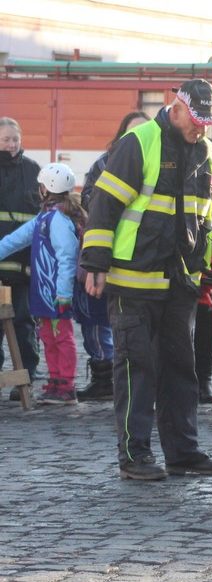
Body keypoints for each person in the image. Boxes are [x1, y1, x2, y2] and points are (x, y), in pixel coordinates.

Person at [82, 78, 212, 481]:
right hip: (132, 280)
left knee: (179, 370)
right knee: (136, 370)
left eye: (207, 122)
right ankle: (134, 457)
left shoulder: (208, 152)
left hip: (180, 284)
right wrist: (95, 264)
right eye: (196, 120)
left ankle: (182, 453)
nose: (201, 128)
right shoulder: (139, 142)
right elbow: (104, 206)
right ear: (176, 109)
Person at [77, 111, 151, 402]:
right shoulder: (103, 163)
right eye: (132, 131)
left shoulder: (157, 163)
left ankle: (140, 389)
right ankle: (107, 377)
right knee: (102, 319)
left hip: (146, 257)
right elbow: (89, 199)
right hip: (109, 254)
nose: (138, 137)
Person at [0, 163, 82, 404]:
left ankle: (66, 385)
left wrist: (64, 293)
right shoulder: (45, 216)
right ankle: (56, 381)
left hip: (57, 293)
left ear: (46, 189)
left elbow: (66, 257)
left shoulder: (56, 219)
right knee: (48, 335)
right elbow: (15, 241)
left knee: (61, 337)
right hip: (46, 292)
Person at [0, 117, 41, 394]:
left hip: (23, 266)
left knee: (24, 323)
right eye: (6, 139)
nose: (12, 144)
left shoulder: (33, 170)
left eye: (15, 139)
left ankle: (25, 378)